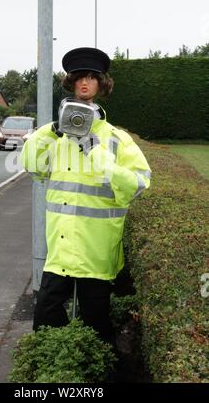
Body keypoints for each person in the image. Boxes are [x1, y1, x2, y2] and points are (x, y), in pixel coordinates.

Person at [21, 47, 151, 342]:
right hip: (61, 249)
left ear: (101, 85)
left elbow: (139, 183)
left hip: (96, 250)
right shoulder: (54, 135)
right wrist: (52, 130)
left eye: (92, 78)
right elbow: (32, 166)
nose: (85, 83)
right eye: (79, 77)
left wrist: (94, 149)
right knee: (45, 315)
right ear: (71, 82)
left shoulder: (115, 138)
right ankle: (51, 364)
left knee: (96, 323)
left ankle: (98, 373)